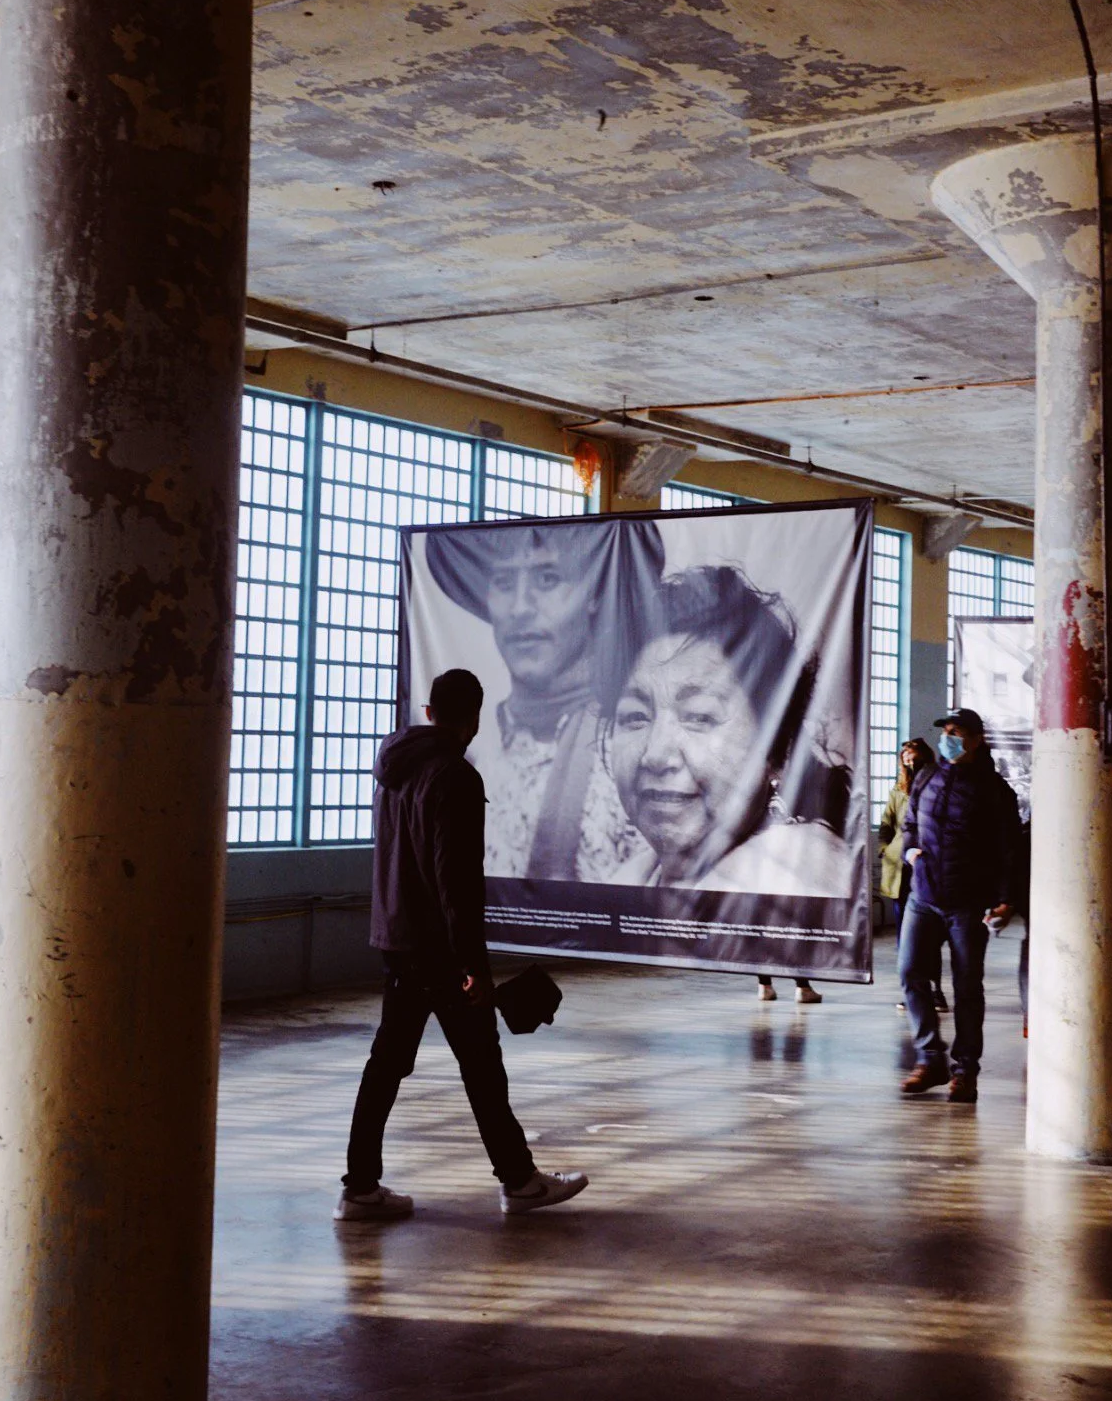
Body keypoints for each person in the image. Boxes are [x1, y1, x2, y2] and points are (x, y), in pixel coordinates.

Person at [335, 666, 588, 1221]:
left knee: (388, 1063)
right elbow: (457, 883)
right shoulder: (455, 778)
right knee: (480, 1063)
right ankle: (519, 1182)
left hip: (397, 941)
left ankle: (359, 1187)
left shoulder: (394, 772)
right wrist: (473, 965)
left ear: (428, 713)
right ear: (474, 717)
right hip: (438, 951)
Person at [606, 564, 855, 1000]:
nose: (655, 755)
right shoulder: (626, 884)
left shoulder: (805, 871)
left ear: (776, 753)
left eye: (700, 717)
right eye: (635, 717)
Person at [422, 520, 661, 882]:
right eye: (503, 583)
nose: (520, 608)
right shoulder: (469, 754)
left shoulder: (636, 753)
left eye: (548, 579)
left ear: (594, 592)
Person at [898, 706, 1021, 1105]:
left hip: (968, 906)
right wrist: (911, 852)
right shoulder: (927, 777)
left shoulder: (995, 791)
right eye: (945, 731)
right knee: (912, 976)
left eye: (956, 732)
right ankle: (930, 1059)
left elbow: (1009, 851)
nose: (948, 738)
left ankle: (965, 1071)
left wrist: (1006, 900)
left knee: (967, 988)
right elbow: (909, 824)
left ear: (977, 739)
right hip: (924, 897)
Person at [879, 738, 946, 1013]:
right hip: (900, 869)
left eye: (914, 757)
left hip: (928, 867)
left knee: (930, 935)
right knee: (905, 938)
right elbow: (886, 823)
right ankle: (914, 992)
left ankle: (936, 990)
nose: (910, 762)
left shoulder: (937, 786)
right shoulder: (897, 790)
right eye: (905, 758)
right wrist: (885, 849)